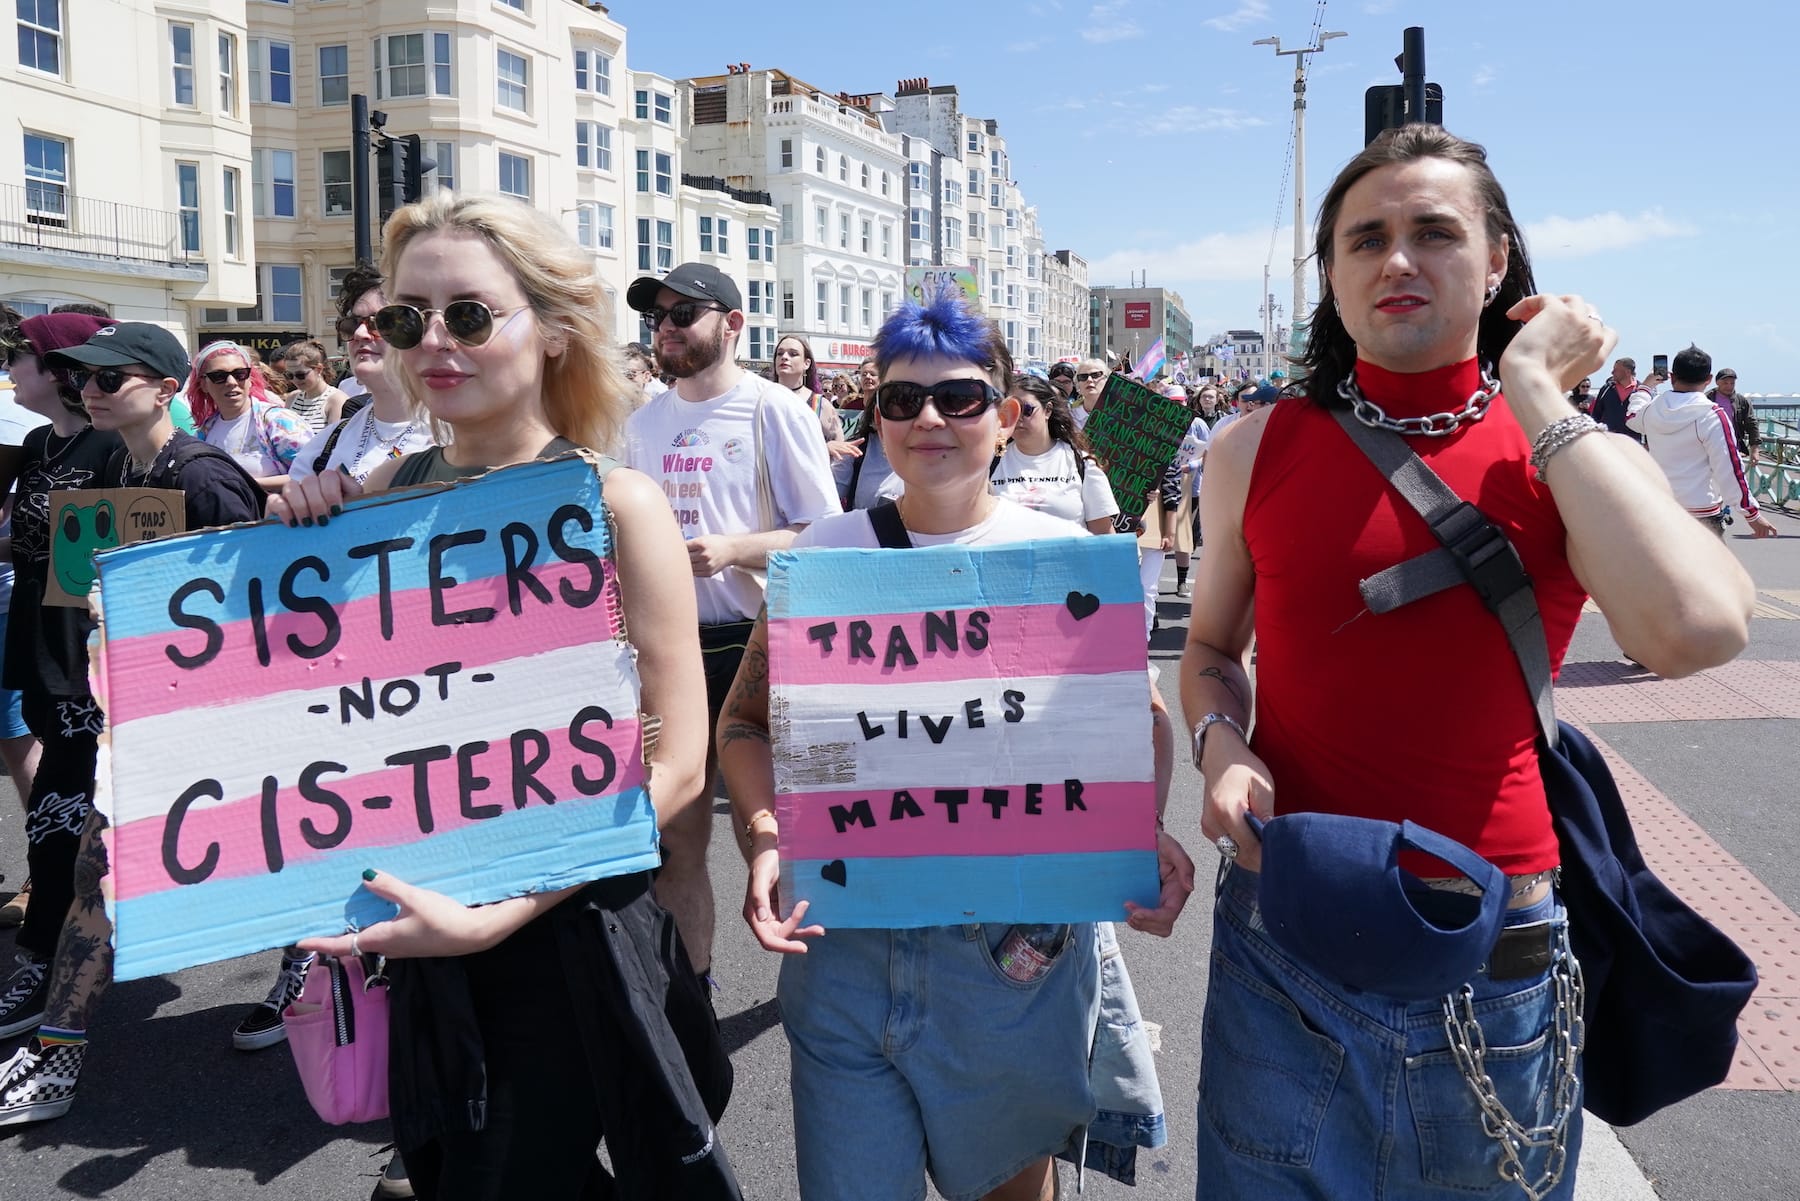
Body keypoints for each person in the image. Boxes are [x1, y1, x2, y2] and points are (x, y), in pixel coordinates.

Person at [1180, 124, 1756, 1200]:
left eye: (1434, 233)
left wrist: (1538, 393)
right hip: (1283, 931)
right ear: (1333, 277)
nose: (1397, 259)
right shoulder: (1253, 448)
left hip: (1497, 950)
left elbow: (1696, 629)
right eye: (1366, 239)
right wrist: (1221, 742)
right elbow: (1212, 648)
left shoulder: (1574, 459)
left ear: (1498, 262)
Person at [273, 191, 739, 1198]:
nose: (433, 340)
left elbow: (679, 764)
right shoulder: (380, 495)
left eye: (470, 314)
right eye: (406, 316)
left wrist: (498, 915)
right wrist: (293, 539)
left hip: (571, 927)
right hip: (424, 925)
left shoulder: (616, 503)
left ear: (556, 332)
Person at [717, 289, 1192, 1201]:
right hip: (846, 949)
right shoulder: (824, 554)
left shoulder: (1063, 560)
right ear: (876, 416)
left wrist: (1144, 828)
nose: (928, 418)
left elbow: (1141, 714)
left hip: (1015, 957)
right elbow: (744, 723)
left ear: (1008, 414)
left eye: (959, 397)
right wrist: (768, 835)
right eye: (901, 400)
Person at [0, 323, 265, 1126]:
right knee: (92, 874)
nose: (92, 387)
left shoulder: (203, 473)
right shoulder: (127, 465)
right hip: (134, 713)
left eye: (114, 378)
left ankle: (315, 981)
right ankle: (57, 1051)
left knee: (284, 865)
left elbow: (256, 608)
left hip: (201, 723)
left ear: (162, 387)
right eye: (85, 375)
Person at [623, 262, 840, 998]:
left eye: (685, 313)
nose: (668, 328)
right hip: (669, 648)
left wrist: (736, 548)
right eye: (659, 317)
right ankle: (693, 995)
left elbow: (823, 533)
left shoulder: (774, 408)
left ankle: (817, 979)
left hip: (757, 641)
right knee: (676, 833)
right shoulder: (642, 422)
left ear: (733, 325)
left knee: (771, 831)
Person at [0, 311, 121, 1045]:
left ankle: (45, 961)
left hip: (87, 653)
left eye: (22, 358)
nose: (11, 370)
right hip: (38, 642)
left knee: (61, 809)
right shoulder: (40, 444)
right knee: (58, 807)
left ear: (58, 369)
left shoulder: (108, 448)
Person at [287, 263, 435, 486]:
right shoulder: (327, 444)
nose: (359, 333)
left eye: (382, 323)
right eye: (352, 323)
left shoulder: (459, 435)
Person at [0, 319, 49, 931]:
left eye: (19, 358)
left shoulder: (24, 429)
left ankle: (48, 871)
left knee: (20, 741)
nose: (10, 368)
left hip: (13, 603)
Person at [1628, 344, 1777, 539]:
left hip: (1660, 506)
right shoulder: (1712, 415)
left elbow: (1632, 417)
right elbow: (1730, 467)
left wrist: (1646, 387)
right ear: (1708, 380)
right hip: (1701, 511)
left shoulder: (1653, 410)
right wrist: (1751, 513)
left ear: (1671, 377)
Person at [988, 374, 1117, 533]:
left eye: (1026, 409)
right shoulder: (988, 464)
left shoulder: (1081, 464)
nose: (1018, 418)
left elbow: (1104, 537)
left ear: (1047, 410)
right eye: (1010, 410)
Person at [189, 341, 309, 493]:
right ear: (203, 384)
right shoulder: (205, 430)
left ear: (250, 378)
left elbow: (311, 473)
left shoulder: (279, 421)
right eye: (219, 376)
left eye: (240, 374)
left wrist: (246, 484)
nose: (231, 382)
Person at [772, 333, 843, 443]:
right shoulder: (762, 400)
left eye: (793, 354)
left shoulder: (820, 405)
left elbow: (840, 450)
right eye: (779, 353)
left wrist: (826, 449)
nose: (784, 357)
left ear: (806, 363)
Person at [275, 338, 348, 434]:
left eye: (301, 375)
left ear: (318, 369)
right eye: (289, 375)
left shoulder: (336, 400)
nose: (295, 380)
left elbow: (335, 441)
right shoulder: (292, 398)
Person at [1709, 368, 1761, 467]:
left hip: (1734, 451)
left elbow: (1752, 425)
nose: (1729, 386)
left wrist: (1754, 450)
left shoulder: (1741, 401)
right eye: (1725, 383)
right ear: (1717, 382)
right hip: (1710, 450)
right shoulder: (1707, 398)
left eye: (1732, 383)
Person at [1590, 356, 1648, 443]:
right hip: (1608, 441)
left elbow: (1648, 419)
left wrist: (1647, 442)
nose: (1612, 372)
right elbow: (1596, 416)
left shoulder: (1641, 391)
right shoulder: (1606, 389)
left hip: (1633, 442)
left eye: (1615, 370)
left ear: (1627, 372)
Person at [1070, 358, 1108, 429]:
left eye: (1096, 375)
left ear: (1107, 380)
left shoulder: (1121, 417)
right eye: (1083, 377)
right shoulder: (1069, 418)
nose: (1089, 380)